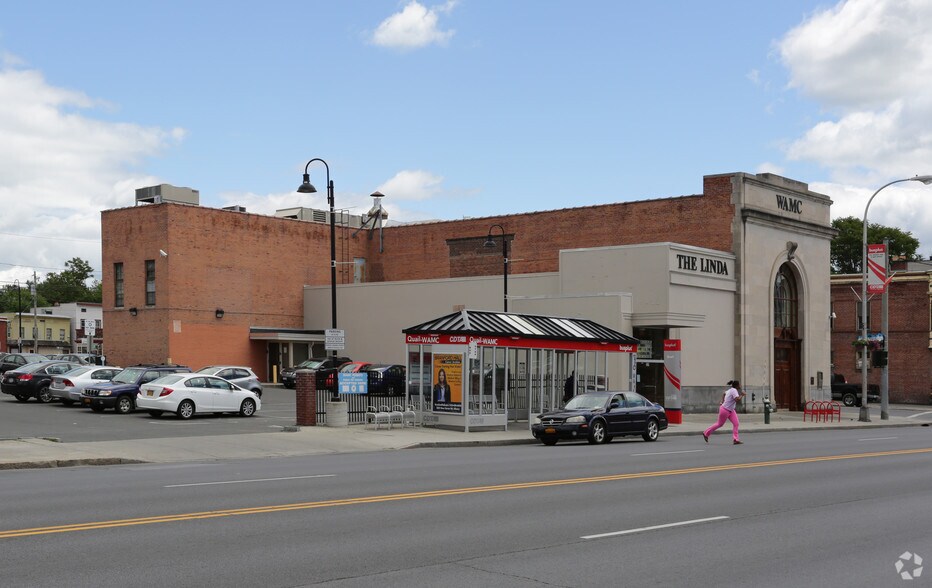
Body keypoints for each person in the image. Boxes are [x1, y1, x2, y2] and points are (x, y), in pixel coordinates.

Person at [703, 380, 746, 445]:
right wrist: (742, 395)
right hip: (725, 410)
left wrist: (722, 401)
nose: (740, 385)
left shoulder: (730, 390)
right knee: (719, 424)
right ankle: (706, 433)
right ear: (737, 385)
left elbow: (724, 393)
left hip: (731, 410)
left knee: (736, 423)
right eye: (739, 384)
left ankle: (735, 439)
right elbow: (737, 399)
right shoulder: (734, 390)